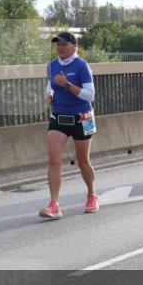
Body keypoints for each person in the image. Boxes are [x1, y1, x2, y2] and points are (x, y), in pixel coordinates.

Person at [39, 32, 99, 219]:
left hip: (81, 116)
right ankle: (54, 204)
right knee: (54, 160)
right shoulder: (52, 66)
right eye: (58, 44)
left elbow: (90, 95)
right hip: (59, 116)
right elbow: (50, 86)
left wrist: (67, 85)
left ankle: (91, 194)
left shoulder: (81, 65)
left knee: (83, 161)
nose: (61, 47)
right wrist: (49, 95)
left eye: (65, 43)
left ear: (75, 46)